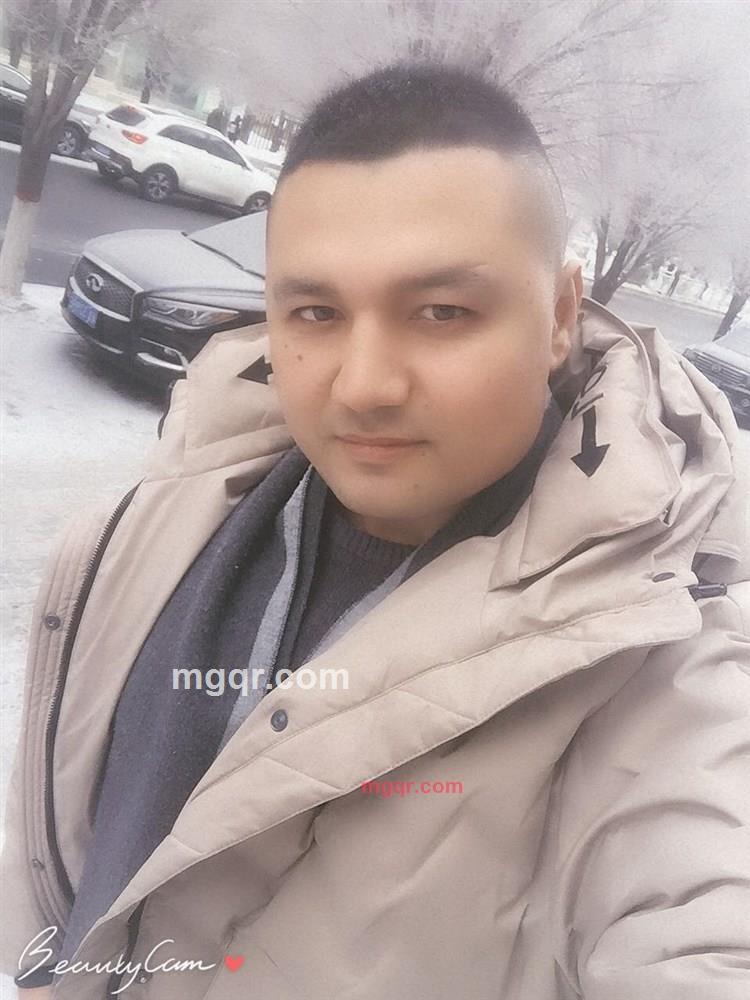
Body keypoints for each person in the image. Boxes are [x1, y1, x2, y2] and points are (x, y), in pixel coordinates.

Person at [1, 62, 748, 1000]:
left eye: (441, 312)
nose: (363, 385)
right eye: (315, 312)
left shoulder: (658, 653)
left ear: (561, 315)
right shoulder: (187, 495)